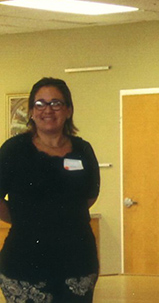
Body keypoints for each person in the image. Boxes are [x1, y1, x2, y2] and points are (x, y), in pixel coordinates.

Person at [0, 77, 100, 302]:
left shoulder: (82, 150)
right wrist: (24, 219)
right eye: (40, 104)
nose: (48, 110)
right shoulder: (14, 151)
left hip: (77, 260)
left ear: (68, 110)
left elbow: (90, 195)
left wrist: (61, 216)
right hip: (24, 262)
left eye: (56, 103)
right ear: (31, 112)